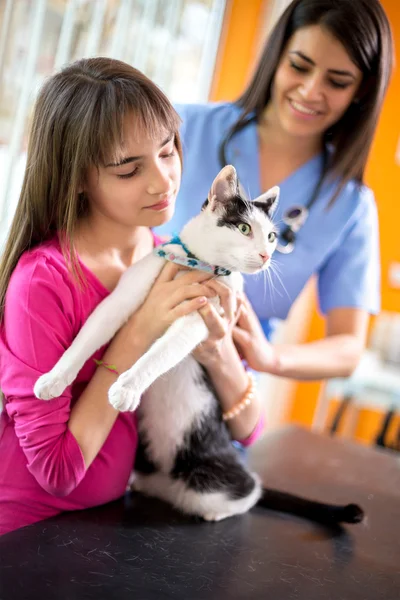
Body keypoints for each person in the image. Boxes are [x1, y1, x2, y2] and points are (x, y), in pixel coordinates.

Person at [0, 58, 264, 536]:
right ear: (77, 177)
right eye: (128, 169)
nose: (163, 182)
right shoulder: (43, 283)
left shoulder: (179, 258)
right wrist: (136, 332)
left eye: (168, 152)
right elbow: (58, 473)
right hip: (27, 533)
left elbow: (249, 431)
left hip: (116, 523)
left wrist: (217, 350)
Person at [157, 0, 393, 381]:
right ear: (277, 55)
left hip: (228, 381)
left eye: (337, 81)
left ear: (361, 90)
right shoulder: (181, 130)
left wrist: (270, 358)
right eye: (299, 66)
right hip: (141, 341)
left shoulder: (349, 205)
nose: (311, 91)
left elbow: (348, 347)